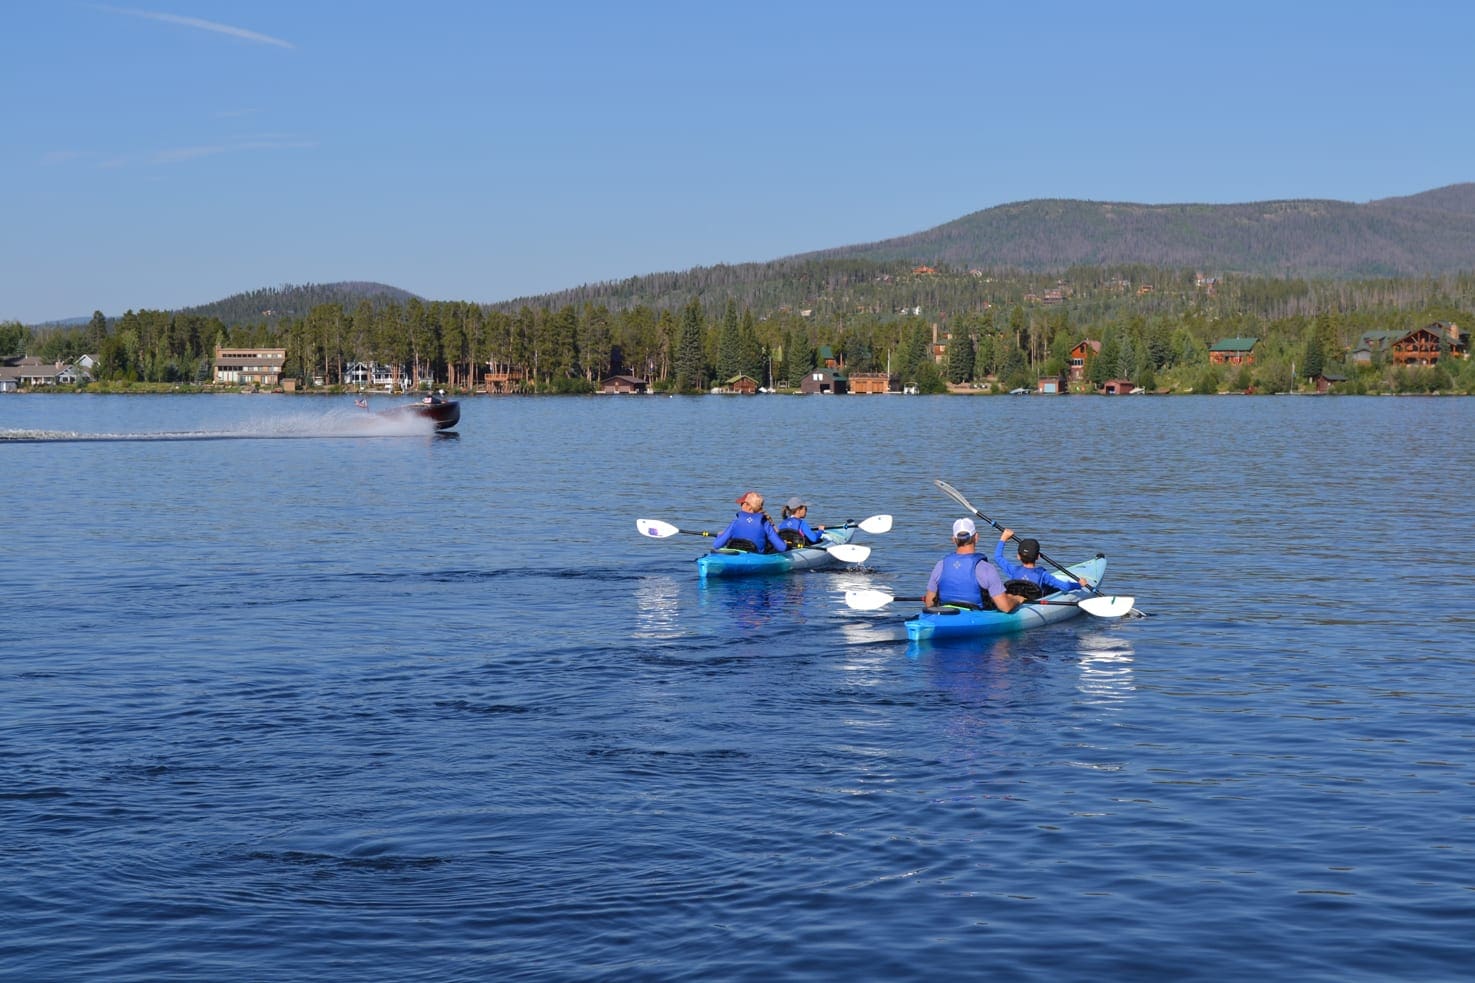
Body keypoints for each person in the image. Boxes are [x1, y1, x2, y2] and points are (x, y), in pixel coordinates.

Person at [923, 518, 1024, 611]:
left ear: (954, 540)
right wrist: (1016, 599)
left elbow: (929, 603)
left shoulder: (940, 565)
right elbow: (1005, 607)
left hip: (946, 616)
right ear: (976, 537)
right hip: (975, 620)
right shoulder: (986, 568)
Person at [993, 528, 1091, 595]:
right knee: (1052, 588)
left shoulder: (1013, 570)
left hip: (1017, 600)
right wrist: (1079, 585)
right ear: (1038, 557)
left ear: (1018, 556)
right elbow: (1065, 586)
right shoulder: (1043, 575)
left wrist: (1003, 538)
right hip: (1035, 602)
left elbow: (998, 557)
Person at [711, 491, 789, 553]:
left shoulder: (735, 522)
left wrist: (720, 536)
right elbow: (782, 548)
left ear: (749, 506)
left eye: (742, 504)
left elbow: (716, 545)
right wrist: (784, 543)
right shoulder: (765, 523)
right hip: (757, 557)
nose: (740, 506)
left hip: (737, 557)